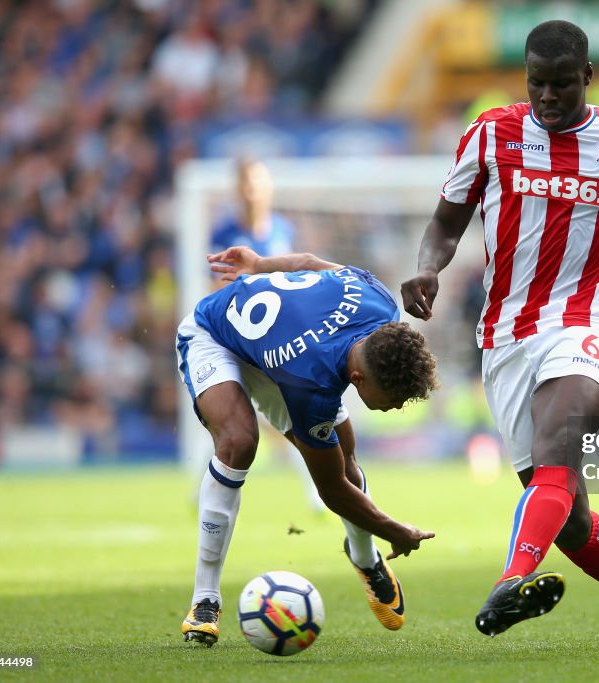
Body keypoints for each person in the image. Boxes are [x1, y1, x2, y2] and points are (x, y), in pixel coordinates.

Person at [400, 20, 599, 648]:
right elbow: (445, 222)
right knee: (568, 518)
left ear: (588, 78)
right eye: (537, 83)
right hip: (507, 338)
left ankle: (511, 579)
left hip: (585, 323)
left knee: (561, 436)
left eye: (562, 85)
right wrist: (428, 269)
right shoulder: (490, 133)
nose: (547, 96)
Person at [178, 245, 438, 647]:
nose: (395, 408)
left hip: (283, 351)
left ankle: (365, 559)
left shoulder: (380, 303)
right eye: (393, 400)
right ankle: (204, 598)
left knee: (347, 458)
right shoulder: (312, 385)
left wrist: (260, 265)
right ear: (358, 377)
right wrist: (395, 529)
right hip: (216, 336)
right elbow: (331, 490)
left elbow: (309, 263)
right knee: (239, 443)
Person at [206, 158, 325, 515]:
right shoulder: (225, 232)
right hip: (237, 336)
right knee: (233, 417)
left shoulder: (282, 230)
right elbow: (217, 284)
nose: (251, 190)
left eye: (257, 182)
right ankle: (206, 490)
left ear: (267, 187)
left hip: (279, 338)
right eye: (245, 183)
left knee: (289, 413)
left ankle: (315, 491)